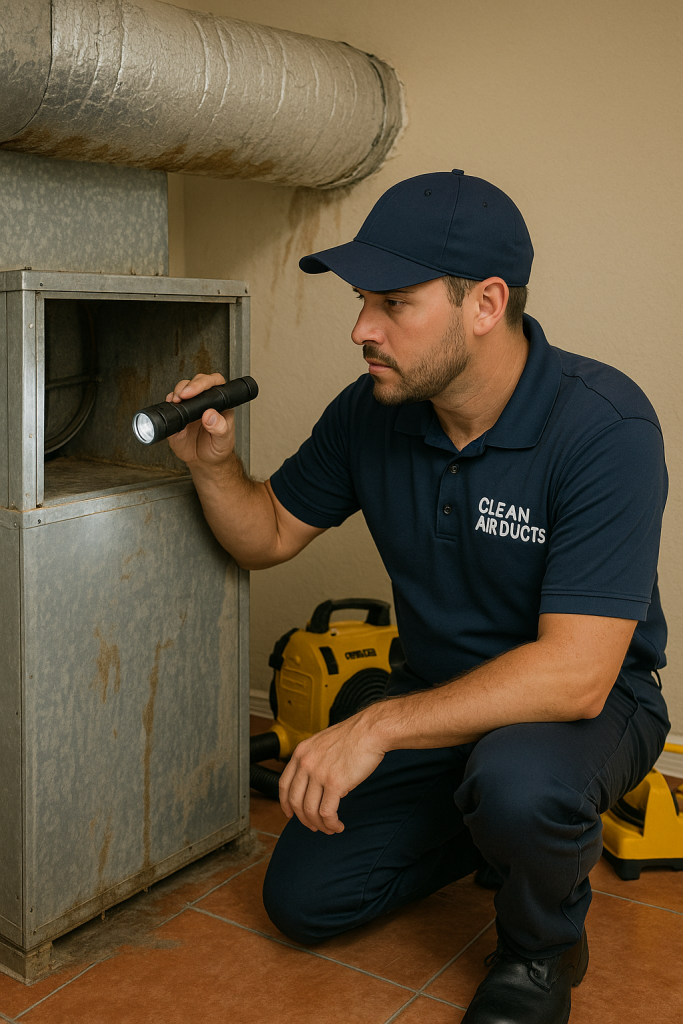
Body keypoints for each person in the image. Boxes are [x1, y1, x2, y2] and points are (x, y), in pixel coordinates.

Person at [167, 170, 669, 1024]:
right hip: (439, 697)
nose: (362, 329)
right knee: (304, 901)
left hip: (586, 707)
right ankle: (492, 834)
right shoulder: (373, 412)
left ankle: (541, 949)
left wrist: (373, 726)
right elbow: (268, 536)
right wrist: (213, 468)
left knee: (520, 783)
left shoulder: (604, 427)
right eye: (363, 300)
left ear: (484, 303)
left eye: (393, 303)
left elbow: (577, 675)